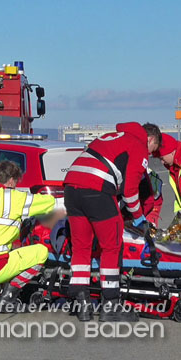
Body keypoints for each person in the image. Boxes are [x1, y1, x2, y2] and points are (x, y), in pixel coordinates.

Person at [62, 122, 162, 322]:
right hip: (97, 188)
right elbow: (130, 192)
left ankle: (82, 304)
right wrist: (139, 218)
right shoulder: (138, 146)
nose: (150, 155)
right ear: (150, 139)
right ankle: (110, 305)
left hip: (71, 187)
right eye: (153, 149)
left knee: (82, 247)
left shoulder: (113, 136)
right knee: (112, 246)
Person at [0, 161, 65, 312]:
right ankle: (7, 299)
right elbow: (52, 203)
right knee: (40, 252)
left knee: (5, 256)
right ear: (12, 179)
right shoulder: (13, 197)